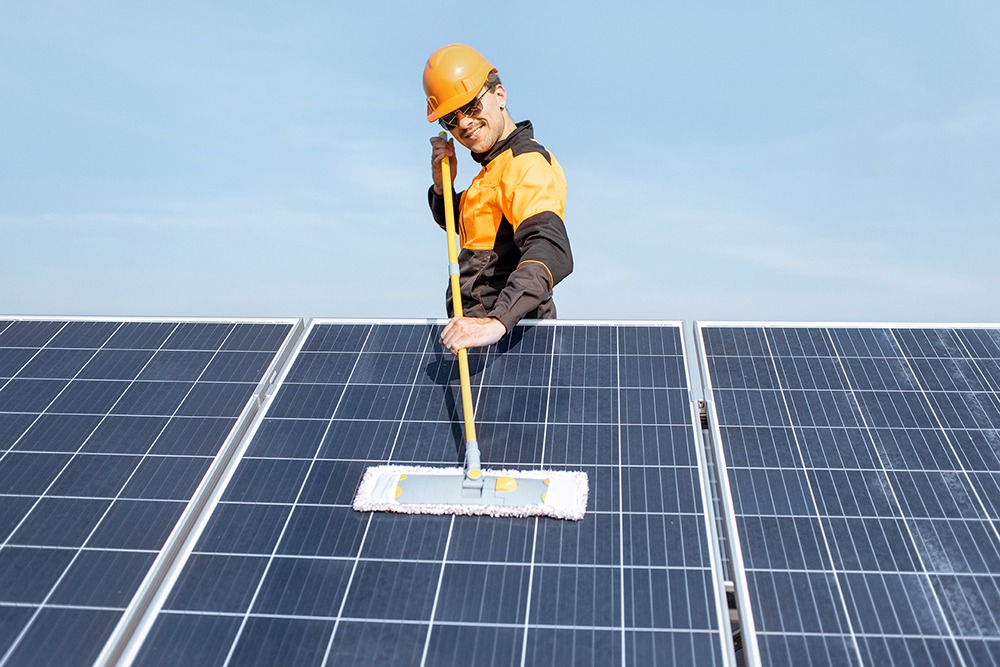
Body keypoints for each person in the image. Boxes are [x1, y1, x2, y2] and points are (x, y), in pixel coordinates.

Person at [424, 44, 573, 354]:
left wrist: (496, 323)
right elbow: (466, 226)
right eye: (450, 118)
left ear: (500, 96)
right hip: (481, 346)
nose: (463, 123)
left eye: (471, 106)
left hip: (516, 347)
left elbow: (548, 248)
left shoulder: (526, 164)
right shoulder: (492, 170)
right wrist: (442, 189)